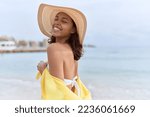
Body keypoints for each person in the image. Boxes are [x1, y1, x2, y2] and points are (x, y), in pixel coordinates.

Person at [36, 3, 91, 100]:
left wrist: (42, 70)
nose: (57, 22)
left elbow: (56, 90)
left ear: (73, 29)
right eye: (56, 19)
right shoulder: (72, 52)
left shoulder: (53, 48)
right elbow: (73, 87)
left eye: (64, 21)